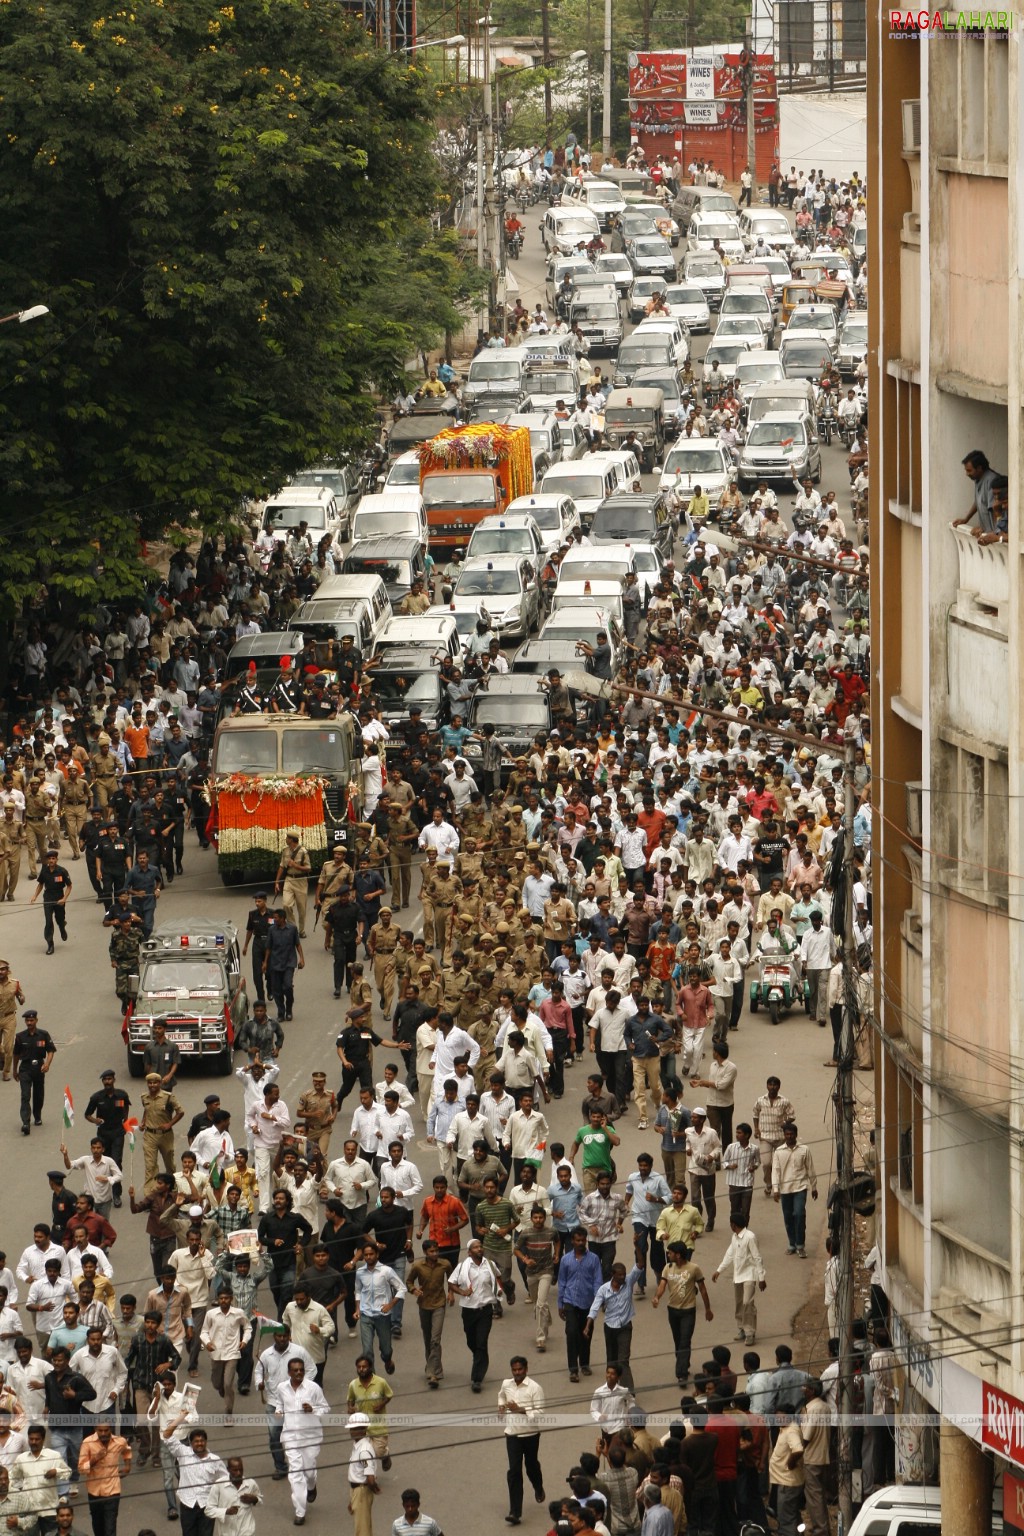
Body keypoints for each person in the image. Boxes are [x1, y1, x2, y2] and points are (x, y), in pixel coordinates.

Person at [273, 1355, 328, 1526]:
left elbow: (325, 1408)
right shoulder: (282, 1388)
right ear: (289, 1372)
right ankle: (300, 1511)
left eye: (301, 1370)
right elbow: (279, 1404)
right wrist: (278, 1411)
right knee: (295, 1474)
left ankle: (312, 1486)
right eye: (295, 1370)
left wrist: (313, 1409)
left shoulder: (313, 1388)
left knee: (309, 1471)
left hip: (310, 1437)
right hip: (290, 1437)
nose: (299, 1373)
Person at [651, 1240, 713, 1387]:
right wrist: (656, 1297)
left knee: (685, 1341)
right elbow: (662, 1285)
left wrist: (708, 1309)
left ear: (678, 1255)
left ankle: (681, 1374)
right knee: (678, 1341)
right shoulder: (668, 1268)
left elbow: (703, 1289)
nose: (668, 1255)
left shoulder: (694, 1269)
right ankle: (684, 1362)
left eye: (670, 1253)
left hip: (688, 1311)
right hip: (672, 1310)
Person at [447, 1239, 501, 1393]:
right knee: (472, 1342)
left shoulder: (489, 1264)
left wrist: (500, 1289)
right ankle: (480, 1357)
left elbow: (498, 1276)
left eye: (480, 1246)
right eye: (475, 1247)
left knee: (481, 1343)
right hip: (468, 1310)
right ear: (469, 1252)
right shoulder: (462, 1267)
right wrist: (462, 1292)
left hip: (485, 1310)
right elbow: (451, 1283)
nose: (479, 1249)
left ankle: (476, 1378)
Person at [498, 1355, 546, 1526]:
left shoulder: (535, 1388)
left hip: (531, 1435)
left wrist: (521, 1410)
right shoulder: (506, 1384)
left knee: (531, 1467)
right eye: (514, 1370)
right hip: (512, 1435)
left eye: (520, 1369)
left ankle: (538, 1487)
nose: (517, 1373)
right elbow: (501, 1395)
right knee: (514, 1472)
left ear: (526, 1369)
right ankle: (515, 1512)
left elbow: (540, 1413)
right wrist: (501, 1406)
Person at [710, 1215, 766, 1346]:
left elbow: (757, 1258)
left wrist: (761, 1278)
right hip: (738, 1276)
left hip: (750, 1275)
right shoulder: (734, 1237)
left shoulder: (750, 1237)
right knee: (739, 1304)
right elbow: (729, 1255)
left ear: (733, 1225)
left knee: (747, 1303)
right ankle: (741, 1328)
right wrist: (719, 1270)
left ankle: (750, 1332)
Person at [165, 1427, 229, 1536]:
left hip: (207, 1506)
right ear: (191, 1443)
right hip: (187, 1506)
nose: (199, 1444)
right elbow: (167, 1435)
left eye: (202, 1441)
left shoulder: (215, 1460)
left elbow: (226, 1479)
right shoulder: (183, 1453)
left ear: (206, 1442)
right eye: (196, 1441)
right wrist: (181, 1417)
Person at [77, 1418, 131, 1536]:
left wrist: (127, 1466)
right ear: (95, 1429)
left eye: (106, 1430)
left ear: (110, 1429)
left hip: (113, 1491)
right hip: (94, 1492)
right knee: (98, 1527)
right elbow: (81, 1468)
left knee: (110, 1528)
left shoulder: (119, 1441)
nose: (103, 1434)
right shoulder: (87, 1443)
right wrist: (95, 1459)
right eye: (100, 1430)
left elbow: (127, 1450)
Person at [771, 1122, 818, 1256]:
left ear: (796, 1135)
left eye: (792, 1134)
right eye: (787, 1134)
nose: (789, 1136)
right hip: (785, 1190)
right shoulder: (779, 1152)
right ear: (784, 1135)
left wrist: (814, 1187)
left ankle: (800, 1245)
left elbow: (810, 1168)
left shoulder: (804, 1150)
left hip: (800, 1187)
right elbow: (776, 1171)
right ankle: (792, 1244)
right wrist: (775, 1189)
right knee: (788, 1217)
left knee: (799, 1214)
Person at [13, 1010, 56, 1136]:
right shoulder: (20, 1037)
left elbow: (51, 1050)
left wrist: (47, 1064)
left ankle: (37, 1116)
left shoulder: (43, 1035)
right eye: (27, 1021)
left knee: (38, 1094)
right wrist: (15, 1070)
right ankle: (26, 1123)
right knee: (25, 1095)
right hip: (25, 1068)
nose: (29, 1023)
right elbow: (16, 1054)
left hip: (39, 1068)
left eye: (31, 1020)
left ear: (36, 1020)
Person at [206, 1456, 263, 1536]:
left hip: (247, 1532)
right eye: (235, 1470)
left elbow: (260, 1501)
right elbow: (208, 1510)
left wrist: (254, 1499)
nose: (239, 1473)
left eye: (241, 1470)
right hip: (227, 1533)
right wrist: (226, 1511)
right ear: (228, 1469)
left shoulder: (251, 1483)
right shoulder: (219, 1485)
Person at [29, 849, 72, 953]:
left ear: (56, 859)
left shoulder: (62, 871)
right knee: (48, 921)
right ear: (47, 860)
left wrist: (64, 898)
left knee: (60, 918)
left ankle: (62, 927)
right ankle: (50, 944)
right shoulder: (44, 871)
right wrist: (35, 896)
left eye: (53, 858)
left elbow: (69, 886)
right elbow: (40, 884)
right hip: (48, 897)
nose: (51, 860)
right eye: (50, 859)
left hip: (59, 896)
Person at [347, 1413, 382, 1536]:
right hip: (357, 1491)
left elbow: (370, 1479)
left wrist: (373, 1487)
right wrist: (353, 1499)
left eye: (356, 1428)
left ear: (364, 1429)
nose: (352, 1431)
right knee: (362, 1527)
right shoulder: (358, 1445)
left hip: (361, 1490)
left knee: (362, 1531)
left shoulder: (364, 1450)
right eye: (352, 1428)